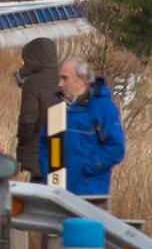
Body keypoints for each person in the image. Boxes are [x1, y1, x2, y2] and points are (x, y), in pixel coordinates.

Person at [43, 57, 126, 200]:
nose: (60, 84)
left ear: (81, 80)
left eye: (65, 78)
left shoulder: (102, 107)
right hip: (57, 194)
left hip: (89, 195)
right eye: (59, 78)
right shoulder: (57, 110)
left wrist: (86, 169)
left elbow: (116, 147)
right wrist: (49, 173)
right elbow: (47, 146)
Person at [13, 37, 60, 181]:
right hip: (61, 148)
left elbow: (28, 120)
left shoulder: (33, 84)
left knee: (38, 193)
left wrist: (22, 142)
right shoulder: (64, 77)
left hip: (38, 149)